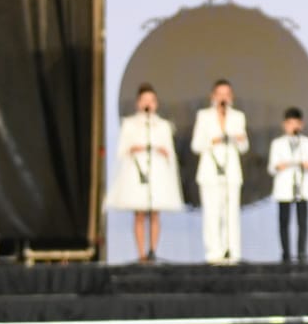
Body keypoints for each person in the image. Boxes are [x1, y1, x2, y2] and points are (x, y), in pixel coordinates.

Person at [103, 84, 185, 263]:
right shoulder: (130, 124)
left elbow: (170, 152)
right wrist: (136, 148)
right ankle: (140, 253)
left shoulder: (163, 125)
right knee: (139, 213)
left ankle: (153, 250)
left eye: (151, 100)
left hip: (157, 171)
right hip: (137, 170)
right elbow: (121, 151)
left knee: (155, 213)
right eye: (144, 100)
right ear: (138, 103)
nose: (148, 103)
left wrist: (162, 151)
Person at [191, 79, 250, 264]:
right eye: (220, 94)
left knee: (231, 212)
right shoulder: (204, 116)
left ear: (231, 97)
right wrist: (213, 141)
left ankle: (232, 250)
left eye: (227, 94)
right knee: (211, 212)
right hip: (210, 171)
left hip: (231, 171)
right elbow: (196, 145)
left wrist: (237, 138)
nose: (223, 98)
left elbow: (244, 146)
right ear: (213, 96)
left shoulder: (238, 116)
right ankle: (213, 252)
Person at [269, 107, 308, 264]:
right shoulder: (277, 143)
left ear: (301, 125)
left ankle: (302, 252)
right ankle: (286, 253)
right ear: (285, 125)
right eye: (290, 123)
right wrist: (282, 165)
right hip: (284, 188)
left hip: (302, 187)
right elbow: (271, 167)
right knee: (284, 222)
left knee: (302, 222)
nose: (293, 127)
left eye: (296, 123)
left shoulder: (307, 143)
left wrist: (304, 164)